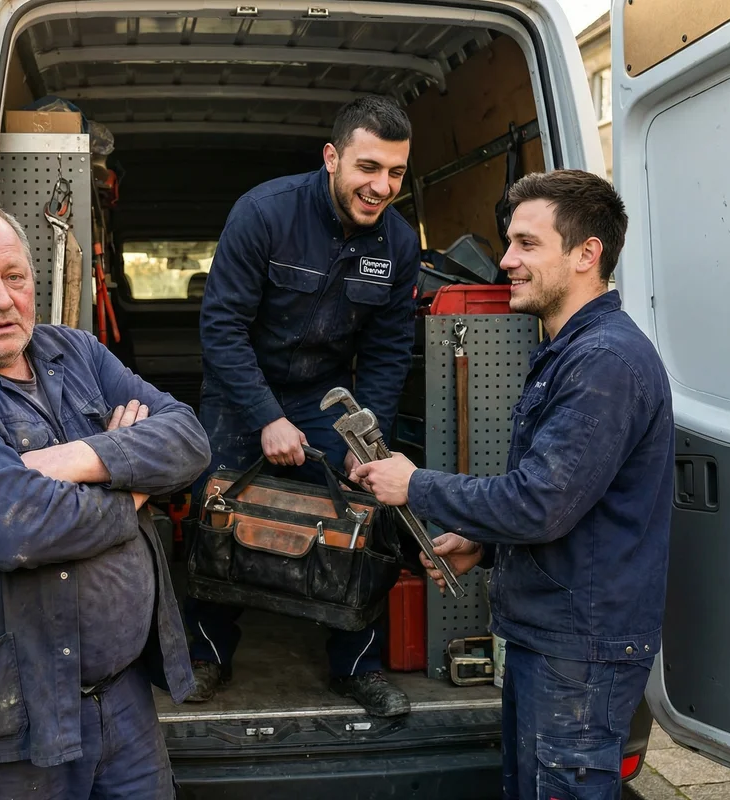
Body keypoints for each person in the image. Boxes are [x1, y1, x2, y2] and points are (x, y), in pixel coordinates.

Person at [0, 202, 211, 799]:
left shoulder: (74, 352)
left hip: (121, 703)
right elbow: (19, 529)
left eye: (14, 276)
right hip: (0, 733)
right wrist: (135, 482)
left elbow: (188, 439)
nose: (1, 299)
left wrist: (76, 458)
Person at [351, 170, 673, 799]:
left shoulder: (603, 363)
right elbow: (577, 504)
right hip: (552, 639)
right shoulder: (569, 350)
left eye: (527, 244)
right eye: (508, 243)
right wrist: (485, 545)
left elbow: (540, 503)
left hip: (580, 651)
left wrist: (415, 484)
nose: (504, 260)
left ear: (586, 254)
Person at [185, 95, 420, 717]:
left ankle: (357, 664)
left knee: (368, 509)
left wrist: (364, 441)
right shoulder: (264, 213)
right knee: (217, 508)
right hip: (243, 388)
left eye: (395, 172)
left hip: (326, 396)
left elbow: (388, 352)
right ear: (332, 157)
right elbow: (222, 329)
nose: (382, 186)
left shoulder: (398, 243)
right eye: (368, 167)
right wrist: (266, 416)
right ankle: (208, 653)